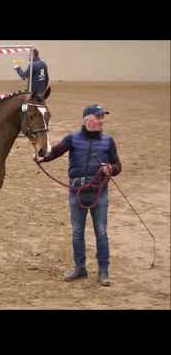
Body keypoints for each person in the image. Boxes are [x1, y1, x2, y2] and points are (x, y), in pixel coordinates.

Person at [35, 104, 122, 286]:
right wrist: (43, 157)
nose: (101, 121)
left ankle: (104, 271)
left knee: (102, 232)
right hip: (77, 193)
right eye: (98, 117)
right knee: (77, 233)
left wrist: (110, 169)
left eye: (102, 118)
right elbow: (56, 151)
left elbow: (118, 166)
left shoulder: (108, 141)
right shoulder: (73, 138)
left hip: (99, 193)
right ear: (88, 120)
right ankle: (80, 269)